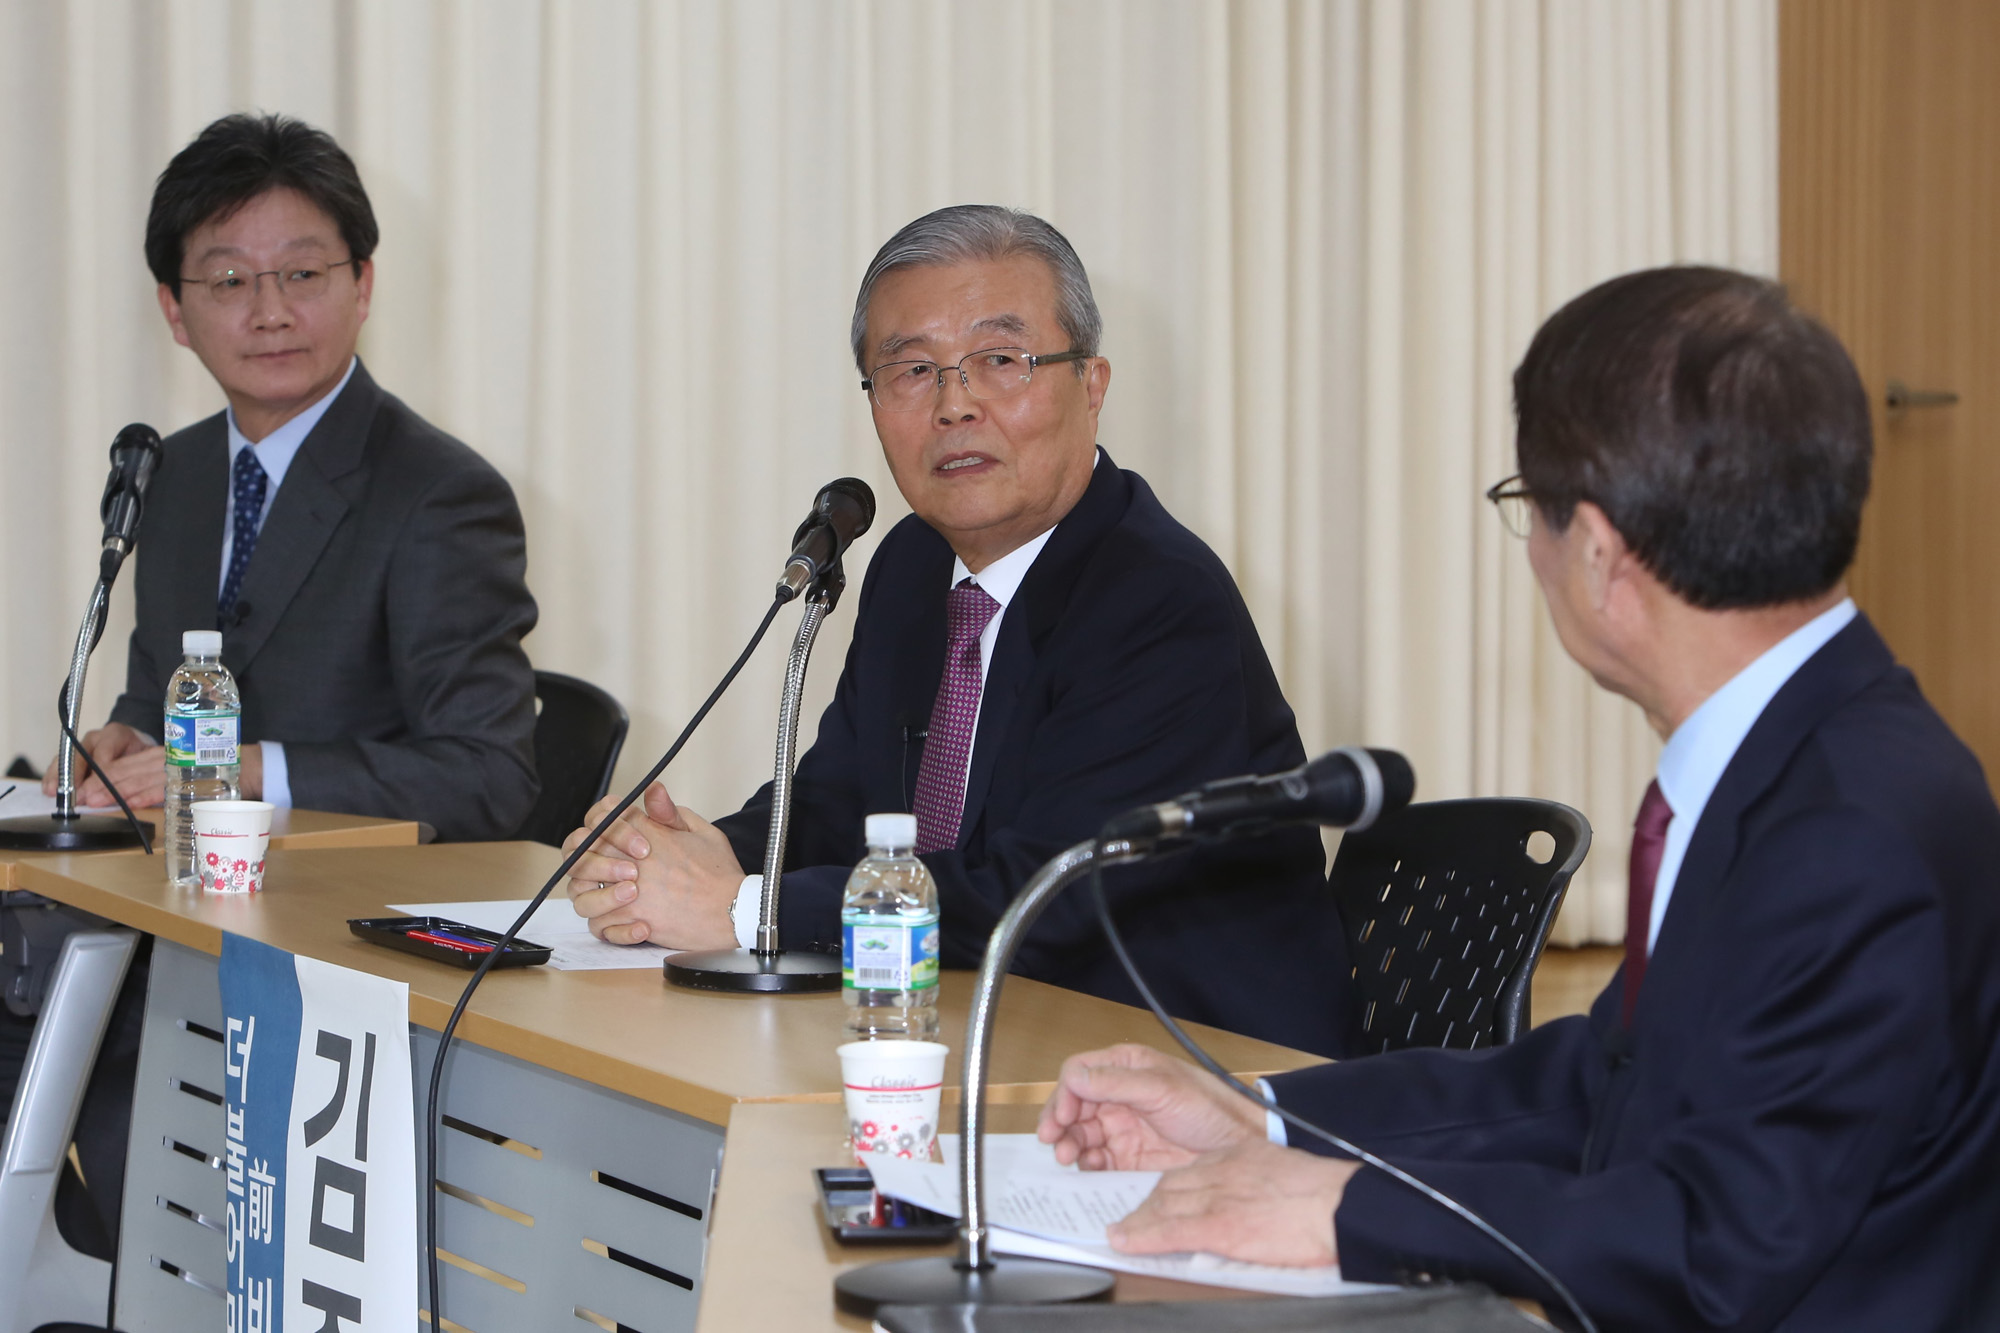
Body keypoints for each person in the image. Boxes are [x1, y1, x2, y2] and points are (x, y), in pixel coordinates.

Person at [1036, 267, 2000, 1330]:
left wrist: (1350, 1213)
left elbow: (1717, 1242)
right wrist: (1259, 1118)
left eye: (1523, 513)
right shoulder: (1798, 747)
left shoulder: (1851, 824)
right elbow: (1599, 1080)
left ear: (1594, 551)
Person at [562, 205, 1348, 1056]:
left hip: (1197, 1075)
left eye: (1000, 361)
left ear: (1092, 385)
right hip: (984, 1042)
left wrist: (745, 905)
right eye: (911, 371)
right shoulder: (910, 565)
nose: (954, 405)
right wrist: (687, 855)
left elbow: (1045, 898)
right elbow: (839, 807)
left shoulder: (1157, 601)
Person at [47, 112, 539, 842]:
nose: (270, 312)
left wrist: (242, 768)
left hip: (343, 919)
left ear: (363, 285)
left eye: (303, 274)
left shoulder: (440, 494)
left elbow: (487, 777)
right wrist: (129, 735)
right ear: (175, 311)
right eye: (229, 280)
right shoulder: (172, 476)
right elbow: (159, 695)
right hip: (177, 897)